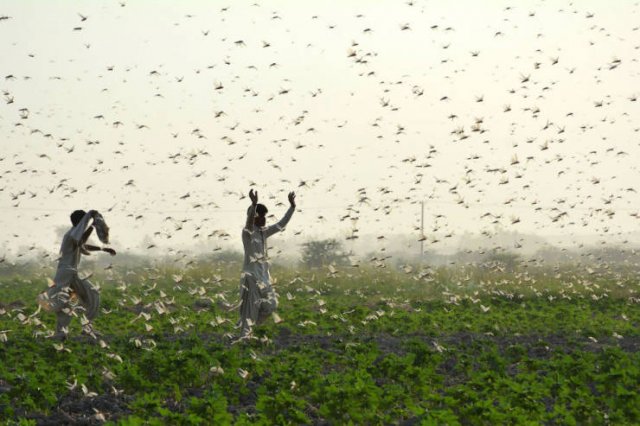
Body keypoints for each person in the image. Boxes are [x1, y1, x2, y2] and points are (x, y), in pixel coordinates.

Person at [44, 210, 115, 339]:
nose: (86, 224)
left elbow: (82, 245)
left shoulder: (72, 234)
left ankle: (74, 330)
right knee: (81, 298)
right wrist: (92, 227)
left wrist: (102, 248)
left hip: (70, 273)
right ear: (80, 222)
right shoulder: (71, 234)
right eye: (84, 222)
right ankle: (64, 332)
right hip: (67, 274)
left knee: (80, 298)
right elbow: (80, 242)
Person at [238, 189, 296, 338]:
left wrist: (292, 207)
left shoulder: (264, 233)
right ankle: (244, 338)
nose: (263, 218)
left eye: (264, 216)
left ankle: (249, 329)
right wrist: (253, 204)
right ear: (253, 217)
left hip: (264, 279)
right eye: (260, 216)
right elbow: (249, 222)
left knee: (271, 305)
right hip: (251, 279)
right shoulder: (247, 232)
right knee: (250, 310)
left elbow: (281, 224)